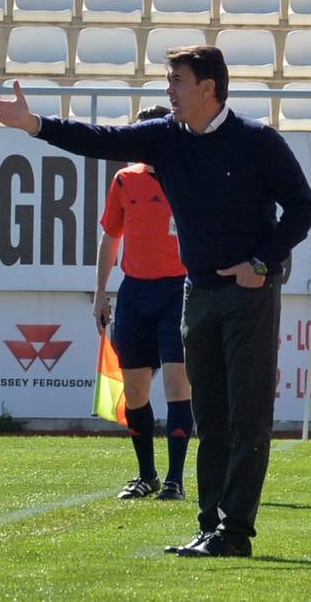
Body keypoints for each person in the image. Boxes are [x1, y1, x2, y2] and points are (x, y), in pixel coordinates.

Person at [0, 46, 311, 559]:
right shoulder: (164, 138)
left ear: (209, 88)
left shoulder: (257, 141)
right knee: (210, 416)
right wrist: (35, 124)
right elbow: (101, 139)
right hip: (196, 293)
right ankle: (210, 527)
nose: (168, 90)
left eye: (176, 80)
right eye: (168, 80)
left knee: (248, 418)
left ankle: (235, 533)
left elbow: (303, 208)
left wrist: (263, 263)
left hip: (250, 295)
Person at [93, 105, 193, 503]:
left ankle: (175, 480)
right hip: (134, 291)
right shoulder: (124, 180)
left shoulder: (187, 176)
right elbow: (110, 237)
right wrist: (101, 292)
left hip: (178, 290)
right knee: (134, 390)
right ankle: (146, 475)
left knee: (175, 383)